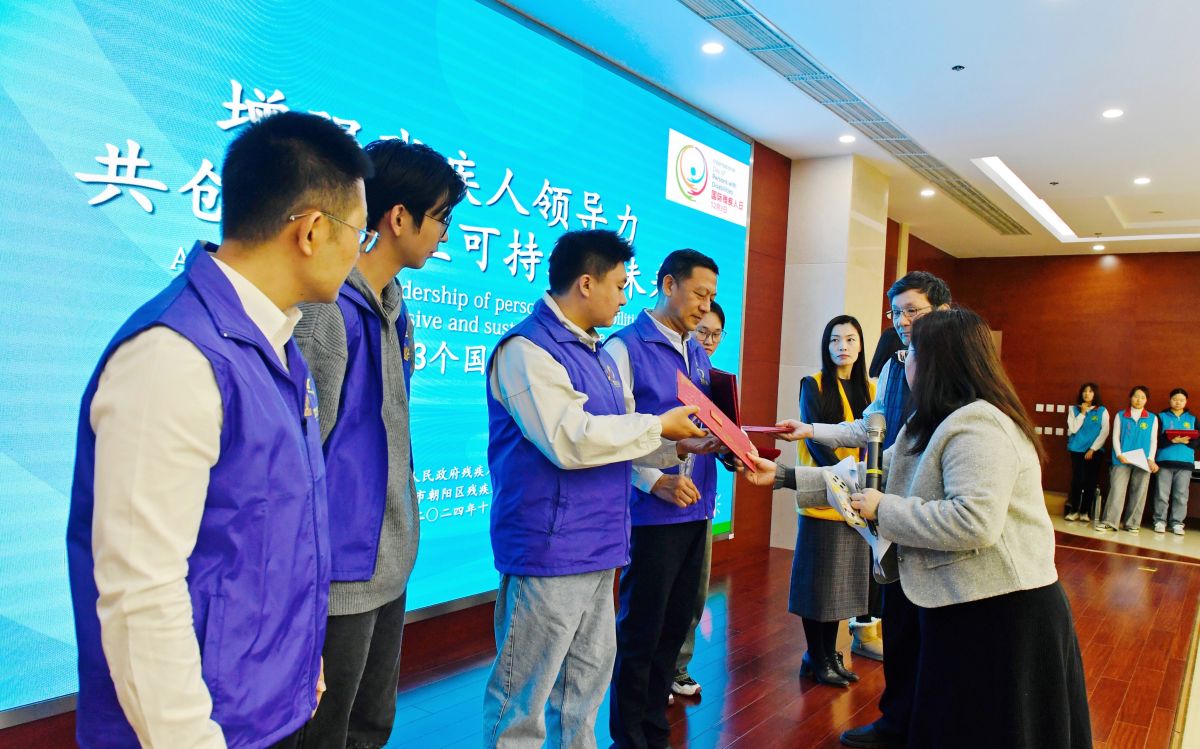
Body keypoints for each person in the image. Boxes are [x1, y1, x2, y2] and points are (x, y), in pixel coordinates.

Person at [66, 112, 374, 749]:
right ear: (313, 231)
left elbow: (269, 544)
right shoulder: (175, 356)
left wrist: (297, 666)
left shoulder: (277, 347)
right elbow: (142, 593)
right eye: (358, 231)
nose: (359, 253)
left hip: (269, 711)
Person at [745, 308, 1092, 749]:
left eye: (910, 352)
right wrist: (783, 476)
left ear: (939, 361)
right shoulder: (927, 421)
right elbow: (869, 475)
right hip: (958, 600)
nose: (902, 361)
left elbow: (974, 521)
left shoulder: (979, 425)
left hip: (1003, 611)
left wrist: (884, 509)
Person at [481, 230, 708, 749]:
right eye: (620, 285)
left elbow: (618, 440)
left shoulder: (598, 353)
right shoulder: (526, 349)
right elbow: (571, 439)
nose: (626, 297)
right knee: (523, 704)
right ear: (586, 283)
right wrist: (658, 425)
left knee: (581, 698)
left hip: (601, 547)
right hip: (549, 552)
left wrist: (680, 445)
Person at [292, 138, 466, 748]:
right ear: (397, 217)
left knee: (370, 726)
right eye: (440, 218)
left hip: (388, 560)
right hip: (338, 573)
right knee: (324, 732)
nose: (444, 235)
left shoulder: (396, 309)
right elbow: (299, 461)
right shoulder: (325, 313)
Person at [775, 270, 951, 749]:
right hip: (885, 513)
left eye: (912, 311)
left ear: (943, 312)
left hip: (930, 518)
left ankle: (922, 724)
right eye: (896, 313)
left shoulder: (957, 373)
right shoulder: (895, 367)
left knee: (934, 636)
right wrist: (811, 431)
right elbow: (870, 430)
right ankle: (897, 722)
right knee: (899, 625)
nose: (903, 322)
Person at [605, 249, 725, 747]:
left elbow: (698, 424)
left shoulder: (696, 351)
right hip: (651, 514)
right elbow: (610, 434)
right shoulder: (624, 347)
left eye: (712, 297)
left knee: (675, 628)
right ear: (668, 284)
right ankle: (629, 736)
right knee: (642, 631)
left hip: (696, 508)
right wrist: (654, 481)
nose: (705, 306)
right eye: (699, 294)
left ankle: (655, 728)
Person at [789, 315, 875, 687]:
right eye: (835, 340)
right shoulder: (814, 384)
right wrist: (844, 479)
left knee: (840, 586)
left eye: (850, 339)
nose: (843, 346)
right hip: (823, 497)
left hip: (856, 502)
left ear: (860, 345)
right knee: (817, 585)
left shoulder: (871, 390)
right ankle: (816, 654)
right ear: (826, 346)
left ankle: (827, 655)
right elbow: (813, 440)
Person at [671, 299, 727, 697]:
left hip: (701, 498)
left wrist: (734, 452)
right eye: (702, 331)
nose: (708, 340)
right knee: (659, 596)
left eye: (715, 334)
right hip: (662, 498)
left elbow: (724, 435)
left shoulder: (715, 380)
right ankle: (654, 673)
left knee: (694, 592)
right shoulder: (669, 373)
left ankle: (678, 667)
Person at [1098, 386, 1159, 533]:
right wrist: (1119, 454)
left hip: (1143, 461)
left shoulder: (1152, 418)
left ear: (1146, 400)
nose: (1139, 400)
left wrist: (1150, 459)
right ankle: (1109, 522)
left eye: (1142, 397)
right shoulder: (1121, 415)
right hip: (1122, 459)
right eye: (1136, 396)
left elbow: (1153, 440)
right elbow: (1115, 436)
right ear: (1130, 397)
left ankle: (1132, 523)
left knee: (1139, 492)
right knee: (1117, 490)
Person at [1153, 389, 1196, 535]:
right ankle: (1159, 521)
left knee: (1181, 495)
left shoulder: (1192, 419)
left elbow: (1198, 440)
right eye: (1175, 399)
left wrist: (1186, 441)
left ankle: (1177, 523)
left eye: (1181, 400)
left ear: (1186, 402)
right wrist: (1172, 440)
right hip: (1164, 461)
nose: (1178, 402)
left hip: (1185, 463)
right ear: (1170, 400)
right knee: (1162, 494)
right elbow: (1155, 439)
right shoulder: (1161, 417)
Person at [1064, 383, 1109, 522]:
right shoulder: (1074, 409)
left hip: (1095, 451)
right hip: (1077, 450)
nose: (1087, 394)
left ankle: (1085, 512)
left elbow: (1105, 431)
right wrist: (1082, 413)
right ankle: (1074, 510)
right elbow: (1073, 429)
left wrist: (1093, 449)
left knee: (1091, 481)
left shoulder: (1102, 411)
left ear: (1095, 394)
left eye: (1090, 391)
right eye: (1084, 391)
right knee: (1077, 480)